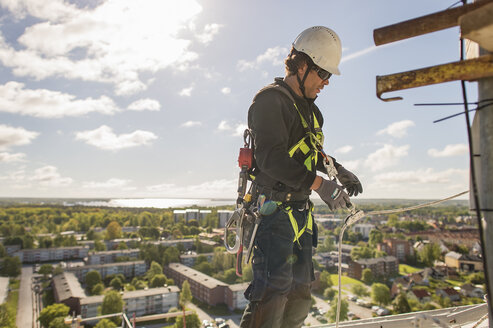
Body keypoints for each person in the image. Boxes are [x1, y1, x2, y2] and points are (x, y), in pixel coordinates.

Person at [239, 26, 363, 328]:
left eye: (329, 76)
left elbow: (310, 151)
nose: (326, 83)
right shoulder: (269, 102)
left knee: (300, 295)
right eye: (323, 74)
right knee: (272, 294)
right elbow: (271, 159)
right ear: (302, 65)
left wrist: (338, 169)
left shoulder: (311, 112)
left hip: (300, 214)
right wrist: (321, 185)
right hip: (273, 213)